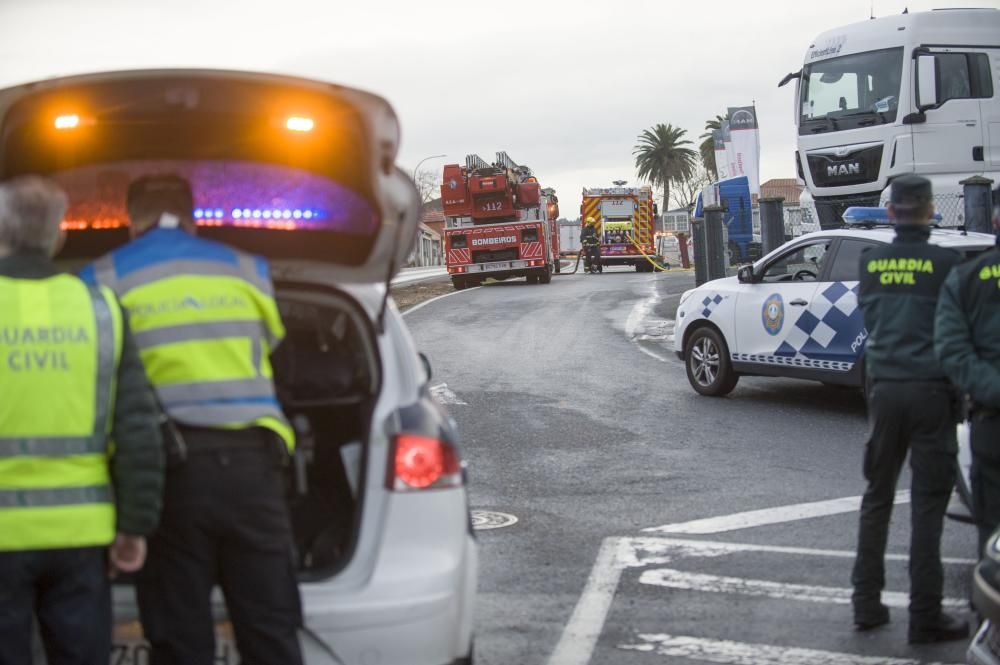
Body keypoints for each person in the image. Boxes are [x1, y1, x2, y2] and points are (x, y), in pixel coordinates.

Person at [80, 175, 303, 665]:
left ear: (131, 220)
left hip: (171, 476)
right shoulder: (246, 268)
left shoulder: (102, 276)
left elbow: (91, 378)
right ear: (193, 217)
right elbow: (275, 348)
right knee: (270, 630)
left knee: (181, 640)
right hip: (254, 474)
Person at [0, 176, 163, 665]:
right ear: (59, 236)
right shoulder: (101, 311)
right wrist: (134, 525)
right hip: (79, 538)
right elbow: (137, 429)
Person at [850, 175, 967, 643]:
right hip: (931, 393)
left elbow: (871, 313)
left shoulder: (870, 262)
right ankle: (925, 615)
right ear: (931, 211)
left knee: (877, 497)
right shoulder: (948, 264)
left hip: (884, 391)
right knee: (928, 505)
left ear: (891, 213)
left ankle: (866, 604)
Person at [935, 184, 1000, 555]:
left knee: (992, 538)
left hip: (992, 420)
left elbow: (953, 351)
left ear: (994, 221)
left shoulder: (967, 277)